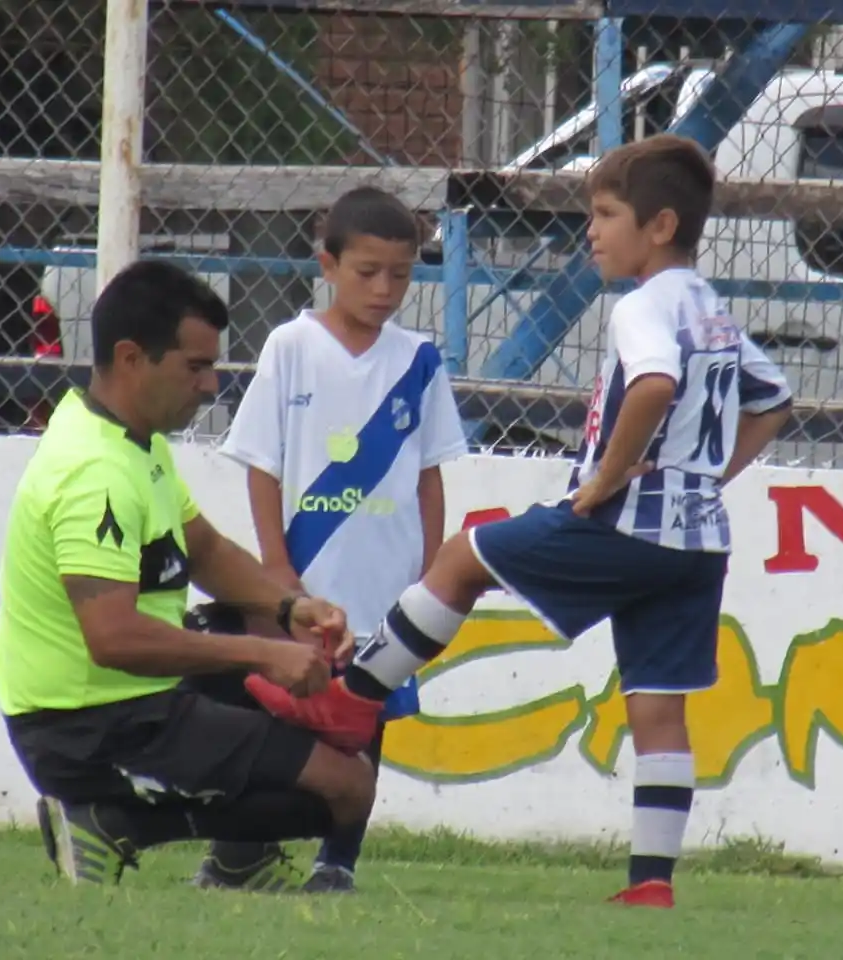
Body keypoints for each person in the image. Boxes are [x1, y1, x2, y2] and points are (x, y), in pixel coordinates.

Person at [244, 134, 795, 909]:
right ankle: (651, 883)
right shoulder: (712, 308)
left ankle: (352, 696)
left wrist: (607, 476)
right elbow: (774, 402)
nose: (592, 232)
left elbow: (653, 388)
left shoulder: (646, 304)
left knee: (463, 557)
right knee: (659, 707)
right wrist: (704, 478)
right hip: (697, 542)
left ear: (660, 226)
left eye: (605, 215)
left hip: (626, 524)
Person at [0, 259, 377, 887]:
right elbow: (113, 639)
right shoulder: (96, 474)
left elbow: (203, 549)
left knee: (254, 633)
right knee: (348, 790)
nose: (210, 385)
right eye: (195, 367)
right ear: (131, 358)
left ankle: (234, 861)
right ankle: (110, 821)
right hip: (87, 726)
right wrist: (260, 653)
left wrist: (287, 609)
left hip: (122, 705)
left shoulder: (128, 439)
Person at [189, 186, 469, 894]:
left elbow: (430, 471)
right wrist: (277, 568)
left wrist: (430, 569)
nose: (384, 289)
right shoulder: (291, 346)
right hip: (309, 580)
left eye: (401, 274)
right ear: (328, 265)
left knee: (366, 716)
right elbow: (261, 461)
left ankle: (337, 862)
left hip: (388, 577)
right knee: (279, 719)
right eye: (367, 271)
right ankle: (239, 851)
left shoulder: (420, 359)